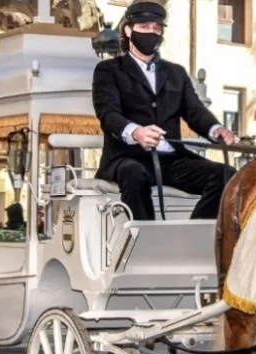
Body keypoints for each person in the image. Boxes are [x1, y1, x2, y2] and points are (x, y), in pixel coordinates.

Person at [91, 0, 236, 221]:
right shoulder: (108, 70)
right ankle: (145, 242)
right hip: (128, 158)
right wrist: (136, 132)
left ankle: (192, 234)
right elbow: (108, 114)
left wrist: (215, 130)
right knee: (133, 174)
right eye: (144, 27)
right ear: (128, 31)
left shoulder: (176, 73)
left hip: (171, 160)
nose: (151, 33)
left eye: (156, 28)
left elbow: (195, 110)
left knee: (226, 174)